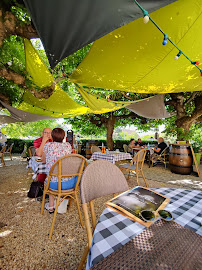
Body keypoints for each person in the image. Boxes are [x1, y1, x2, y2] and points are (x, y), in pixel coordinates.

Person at [41, 128, 72, 213]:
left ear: (52, 136)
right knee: (57, 175)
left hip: (54, 184)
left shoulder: (48, 145)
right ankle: (61, 202)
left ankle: (51, 207)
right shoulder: (68, 145)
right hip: (70, 183)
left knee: (51, 177)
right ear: (63, 136)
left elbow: (43, 160)